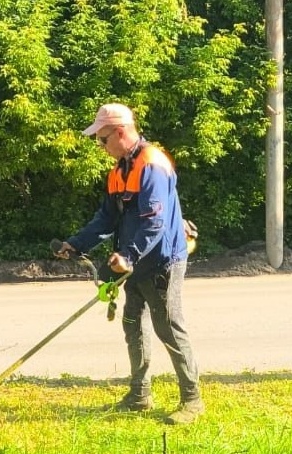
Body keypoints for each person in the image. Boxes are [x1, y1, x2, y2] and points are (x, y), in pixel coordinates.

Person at [55, 103, 203, 425]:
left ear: (120, 132)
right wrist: (75, 244)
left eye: (102, 139)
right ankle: (140, 395)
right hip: (133, 263)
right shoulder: (119, 170)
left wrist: (128, 256)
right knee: (133, 324)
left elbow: (155, 223)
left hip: (162, 259)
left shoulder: (151, 165)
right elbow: (106, 218)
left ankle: (192, 400)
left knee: (169, 327)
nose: (100, 145)